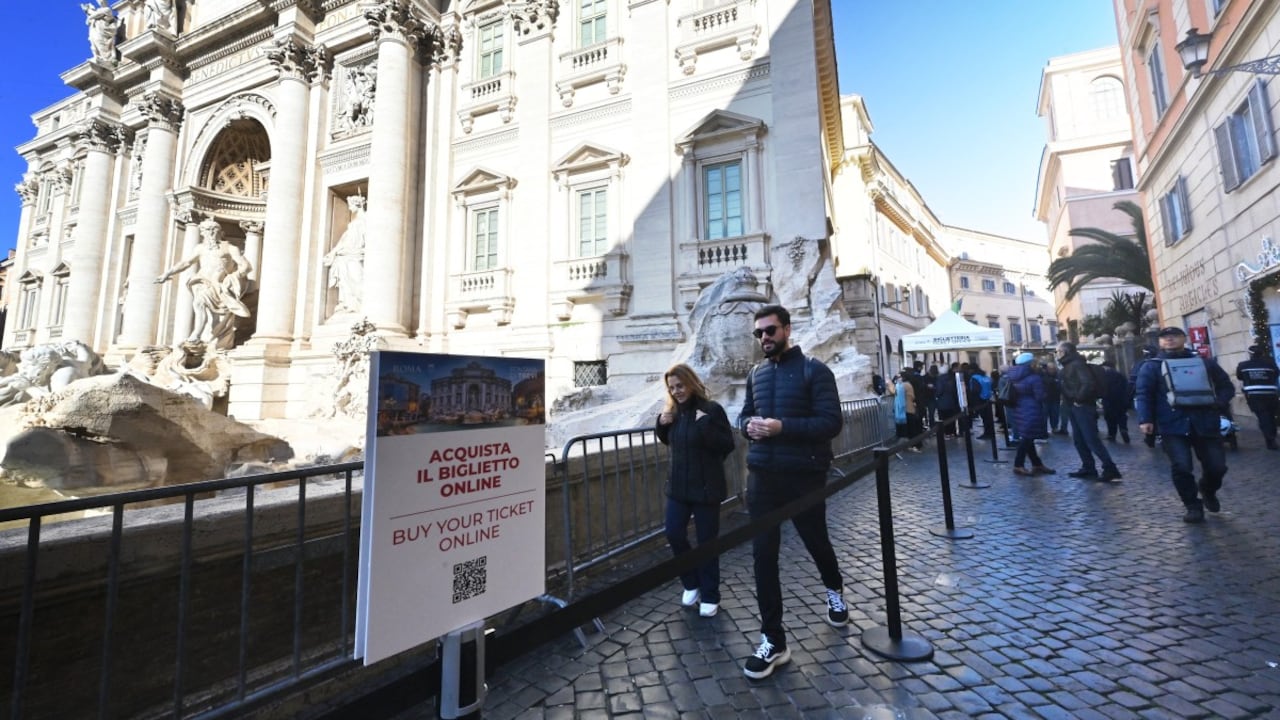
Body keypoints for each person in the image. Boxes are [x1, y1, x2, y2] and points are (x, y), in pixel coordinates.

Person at [738, 304, 846, 680]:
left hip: (804, 475)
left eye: (770, 331)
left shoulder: (815, 370)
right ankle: (773, 639)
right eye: (759, 333)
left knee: (817, 542)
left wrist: (782, 427)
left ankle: (834, 590)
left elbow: (832, 421)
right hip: (763, 477)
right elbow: (744, 413)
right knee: (762, 557)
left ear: (786, 329)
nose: (764, 338)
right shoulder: (756, 374)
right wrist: (747, 426)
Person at [655, 363, 735, 618]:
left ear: (691, 382)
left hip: (706, 487)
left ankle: (710, 594)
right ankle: (691, 582)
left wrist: (705, 426)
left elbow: (727, 444)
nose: (677, 391)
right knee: (674, 533)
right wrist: (661, 424)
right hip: (678, 487)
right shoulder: (673, 413)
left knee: (706, 542)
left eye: (680, 385)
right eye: (672, 388)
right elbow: (670, 440)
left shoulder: (712, 410)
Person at [1135, 326, 1235, 523]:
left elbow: (1226, 386)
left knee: (1217, 467)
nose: (1169, 339)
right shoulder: (1151, 366)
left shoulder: (1204, 363)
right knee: (1181, 466)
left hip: (1205, 422)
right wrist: (1145, 419)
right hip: (1172, 424)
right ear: (1160, 342)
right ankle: (1192, 505)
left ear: (1184, 339)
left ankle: (1207, 489)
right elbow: (1143, 394)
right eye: (1165, 337)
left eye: (1174, 336)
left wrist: (1218, 404)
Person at [156, 218, 252, 350]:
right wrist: (167, 274)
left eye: (206, 231)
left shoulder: (230, 248)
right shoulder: (200, 248)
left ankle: (210, 340)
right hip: (202, 281)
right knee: (198, 303)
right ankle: (196, 334)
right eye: (203, 232)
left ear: (215, 231)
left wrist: (233, 277)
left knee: (215, 315)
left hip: (218, 285)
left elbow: (246, 266)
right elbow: (186, 263)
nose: (204, 235)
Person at [1057, 342, 1122, 481]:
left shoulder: (1076, 364)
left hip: (1082, 406)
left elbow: (1087, 383)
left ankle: (1110, 469)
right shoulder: (1071, 364)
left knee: (1091, 439)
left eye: (1058, 351)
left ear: (1064, 352)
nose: (1057, 354)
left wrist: (1079, 399)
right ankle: (1088, 467)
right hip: (1075, 405)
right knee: (1079, 440)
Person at [1004, 352, 1054, 476]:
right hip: (1031, 409)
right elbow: (1040, 395)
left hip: (1019, 408)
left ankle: (1037, 463)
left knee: (1028, 437)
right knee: (1027, 439)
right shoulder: (1034, 377)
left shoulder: (1013, 375)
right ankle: (1018, 464)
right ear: (1030, 364)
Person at [324, 195, 367, 314]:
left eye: (351, 205)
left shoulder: (365, 220)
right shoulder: (354, 222)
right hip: (347, 253)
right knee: (344, 276)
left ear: (357, 204)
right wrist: (333, 252)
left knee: (356, 277)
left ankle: (358, 303)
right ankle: (347, 303)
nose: (349, 208)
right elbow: (344, 239)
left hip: (356, 253)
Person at [1235, 344, 1279, 450]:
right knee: (1271, 416)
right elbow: (1276, 374)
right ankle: (1271, 436)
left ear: (1250, 354)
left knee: (1263, 417)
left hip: (1254, 395)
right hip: (1270, 394)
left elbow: (1239, 376)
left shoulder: (1243, 365)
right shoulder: (1270, 364)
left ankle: (1270, 438)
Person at [1130, 345, 1160, 447]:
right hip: (1158, 394)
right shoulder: (1160, 362)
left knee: (1147, 412)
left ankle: (1150, 437)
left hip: (1144, 394)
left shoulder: (1140, 364)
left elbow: (1133, 379)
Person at [1101, 361, 1131, 443]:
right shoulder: (1120, 375)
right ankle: (1123, 429)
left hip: (1109, 400)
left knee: (1110, 418)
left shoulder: (1105, 375)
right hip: (1121, 400)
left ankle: (1112, 434)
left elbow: (1102, 387)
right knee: (1121, 416)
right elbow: (1127, 387)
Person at [968, 367, 994, 438]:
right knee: (988, 417)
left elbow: (974, 390)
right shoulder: (985, 377)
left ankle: (987, 433)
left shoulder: (974, 378)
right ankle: (990, 432)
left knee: (984, 417)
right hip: (987, 398)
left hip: (979, 399)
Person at [1042, 362, 1067, 435]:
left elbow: (1059, 384)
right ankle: (1045, 429)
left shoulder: (1058, 374)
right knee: (1045, 415)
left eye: (1053, 368)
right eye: (1050, 368)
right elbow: (1049, 381)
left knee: (1055, 414)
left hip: (1055, 398)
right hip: (1046, 398)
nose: (1052, 370)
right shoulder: (1044, 375)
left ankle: (1054, 427)